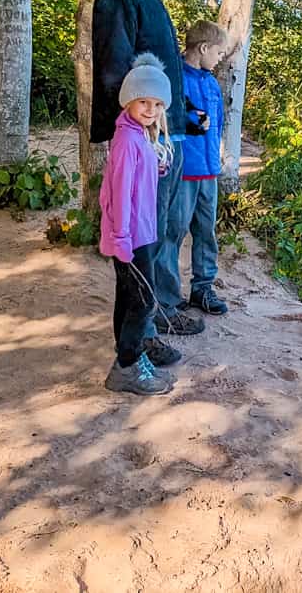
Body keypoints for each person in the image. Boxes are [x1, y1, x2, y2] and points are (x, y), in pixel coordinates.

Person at [92, 0, 208, 368]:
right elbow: (114, 74)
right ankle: (136, 342)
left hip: (167, 135)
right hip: (146, 143)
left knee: (160, 234)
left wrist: (185, 119)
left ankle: (156, 315)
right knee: (142, 242)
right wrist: (131, 135)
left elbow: (158, 76)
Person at [100, 54, 176, 396]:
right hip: (131, 236)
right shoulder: (127, 140)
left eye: (158, 104)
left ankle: (127, 357)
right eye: (144, 101)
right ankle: (126, 368)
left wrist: (156, 168)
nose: (151, 110)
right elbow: (117, 192)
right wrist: (120, 239)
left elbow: (137, 180)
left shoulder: (140, 136)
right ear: (129, 99)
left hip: (140, 231)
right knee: (143, 301)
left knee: (128, 298)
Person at [172, 20, 230, 315]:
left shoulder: (211, 81)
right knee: (175, 231)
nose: (221, 58)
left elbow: (215, 125)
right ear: (204, 48)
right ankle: (167, 294)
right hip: (183, 172)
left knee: (206, 232)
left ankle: (203, 288)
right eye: (219, 52)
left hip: (209, 171)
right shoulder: (175, 78)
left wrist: (218, 155)